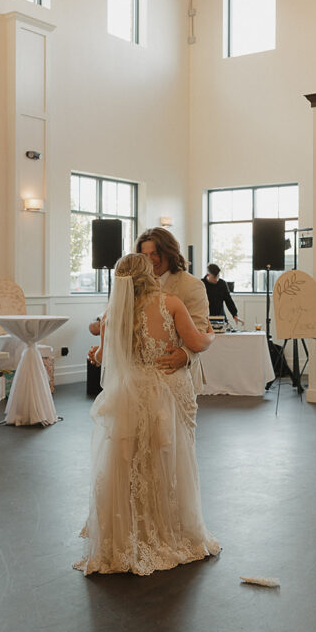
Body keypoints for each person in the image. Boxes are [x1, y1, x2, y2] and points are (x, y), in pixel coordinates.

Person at [75, 253, 220, 576]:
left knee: (128, 463)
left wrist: (98, 354)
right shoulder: (170, 304)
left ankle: (128, 533)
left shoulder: (113, 312)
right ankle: (167, 530)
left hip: (127, 394)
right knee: (166, 462)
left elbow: (101, 356)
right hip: (165, 390)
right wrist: (210, 335)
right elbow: (195, 341)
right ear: (148, 274)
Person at [135, 227, 210, 390]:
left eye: (155, 253)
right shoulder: (137, 285)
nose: (150, 260)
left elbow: (200, 330)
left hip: (178, 374)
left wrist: (185, 355)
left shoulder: (192, 285)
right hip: (141, 377)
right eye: (144, 255)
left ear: (169, 252)